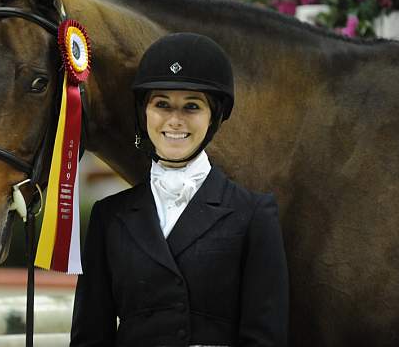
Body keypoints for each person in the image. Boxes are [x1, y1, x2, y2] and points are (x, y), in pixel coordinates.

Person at [70, 33, 289, 347]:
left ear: (213, 116)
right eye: (161, 104)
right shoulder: (110, 216)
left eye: (191, 106)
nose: (174, 120)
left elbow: (265, 337)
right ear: (144, 112)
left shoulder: (253, 214)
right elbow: (90, 336)